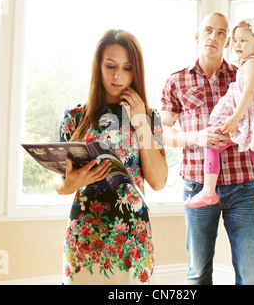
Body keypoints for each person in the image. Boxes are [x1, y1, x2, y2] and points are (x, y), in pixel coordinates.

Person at [53, 29, 168, 285]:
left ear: (136, 71)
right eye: (110, 66)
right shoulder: (74, 116)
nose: (118, 76)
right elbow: (59, 183)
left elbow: (158, 181)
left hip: (132, 237)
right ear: (98, 66)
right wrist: (73, 181)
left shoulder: (149, 117)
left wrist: (140, 123)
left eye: (127, 68)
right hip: (84, 234)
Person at [161, 12, 254, 285]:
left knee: (252, 276)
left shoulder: (243, 74)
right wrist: (197, 137)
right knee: (198, 274)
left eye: (221, 33)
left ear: (228, 40)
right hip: (197, 186)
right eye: (208, 30)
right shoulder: (176, 81)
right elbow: (162, 134)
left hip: (243, 186)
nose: (214, 37)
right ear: (198, 36)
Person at [184, 18, 254, 209]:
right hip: (250, 118)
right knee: (253, 154)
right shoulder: (252, 63)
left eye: (244, 40)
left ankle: (207, 192)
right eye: (236, 40)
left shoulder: (250, 64)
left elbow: (249, 92)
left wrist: (234, 118)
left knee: (212, 144)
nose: (238, 45)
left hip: (244, 118)